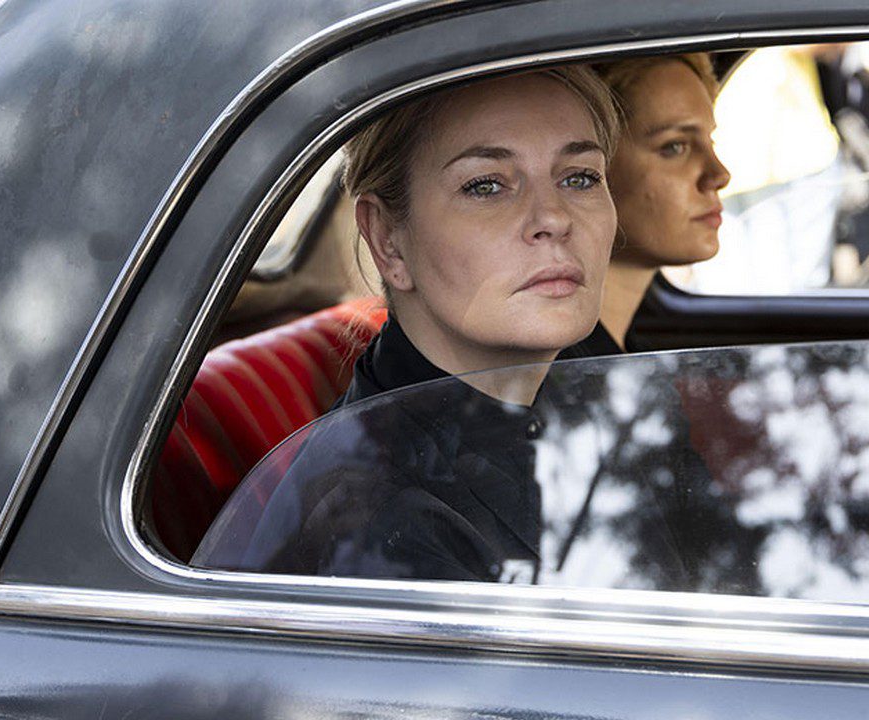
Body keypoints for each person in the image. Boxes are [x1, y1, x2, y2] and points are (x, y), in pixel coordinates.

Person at [193, 66, 621, 582]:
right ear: (388, 241)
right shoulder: (379, 525)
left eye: (580, 177)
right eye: (486, 186)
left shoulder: (591, 377)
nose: (554, 217)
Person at [564, 54, 730, 356]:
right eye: (674, 147)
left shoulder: (618, 355)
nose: (719, 175)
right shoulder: (560, 367)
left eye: (711, 142)